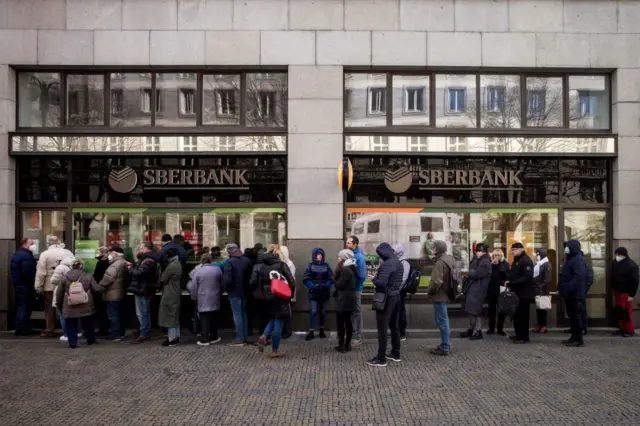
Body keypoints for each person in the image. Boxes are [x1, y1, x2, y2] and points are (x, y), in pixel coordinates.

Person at [252, 245, 296, 357]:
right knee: (279, 322)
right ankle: (274, 351)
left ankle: (264, 335)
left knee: (273, 318)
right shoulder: (282, 265)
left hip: (267, 298)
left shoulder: (262, 266)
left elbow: (256, 282)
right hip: (280, 297)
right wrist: (289, 294)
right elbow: (292, 281)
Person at [367, 242, 404, 367]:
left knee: (382, 328)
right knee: (394, 326)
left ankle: (381, 358)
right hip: (396, 296)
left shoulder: (387, 264)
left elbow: (381, 283)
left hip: (386, 298)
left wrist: (373, 279)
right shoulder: (398, 262)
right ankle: (395, 353)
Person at [54, 260, 101, 348]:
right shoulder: (88, 276)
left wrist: (59, 305)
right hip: (85, 303)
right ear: (82, 266)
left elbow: (59, 293)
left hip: (69, 304)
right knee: (88, 322)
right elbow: (96, 289)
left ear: (71, 267)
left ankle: (72, 342)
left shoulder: (65, 277)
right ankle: (90, 339)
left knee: (71, 323)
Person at [34, 236, 73, 338]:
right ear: (59, 242)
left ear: (48, 243)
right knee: (66, 306)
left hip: (49, 285)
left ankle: (50, 329)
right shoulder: (67, 252)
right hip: (66, 284)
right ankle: (69, 329)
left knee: (49, 307)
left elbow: (41, 273)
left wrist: (38, 286)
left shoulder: (45, 254)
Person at [126, 242, 160, 344]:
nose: (139, 250)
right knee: (143, 312)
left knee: (142, 313)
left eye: (141, 248)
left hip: (143, 289)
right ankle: (145, 331)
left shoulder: (148, 261)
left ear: (145, 248)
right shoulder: (147, 259)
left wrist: (130, 269)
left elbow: (140, 274)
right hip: (143, 288)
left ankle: (144, 333)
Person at [188, 253, 224, 346]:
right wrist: (220, 293)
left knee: (204, 318)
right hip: (215, 297)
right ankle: (214, 337)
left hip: (202, 297)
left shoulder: (198, 271)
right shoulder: (217, 269)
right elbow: (222, 283)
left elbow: (194, 286)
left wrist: (193, 296)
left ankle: (205, 339)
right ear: (211, 260)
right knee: (213, 317)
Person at [557, 240, 587, 347]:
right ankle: (573, 337)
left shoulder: (578, 259)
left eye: (568, 247)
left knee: (576, 317)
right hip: (569, 294)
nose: (566, 249)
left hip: (575, 294)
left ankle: (578, 339)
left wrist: (568, 287)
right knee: (572, 316)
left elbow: (578, 277)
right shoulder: (570, 259)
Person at [223, 243, 253, 346]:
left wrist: (226, 289)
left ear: (229, 252)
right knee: (243, 314)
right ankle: (244, 337)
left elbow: (227, 280)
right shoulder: (247, 261)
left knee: (237, 314)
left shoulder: (229, 262)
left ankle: (239, 338)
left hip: (234, 292)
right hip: (245, 291)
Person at [428, 240, 454, 356]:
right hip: (447, 293)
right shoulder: (450, 258)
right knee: (443, 320)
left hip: (439, 295)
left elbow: (436, 282)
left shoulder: (440, 262)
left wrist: (430, 292)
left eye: (433, 248)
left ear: (437, 249)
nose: (432, 250)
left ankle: (445, 346)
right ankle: (445, 343)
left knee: (442, 321)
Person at [505, 242, 535, 344]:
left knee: (522, 316)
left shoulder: (525, 260)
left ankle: (523, 336)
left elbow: (527, 277)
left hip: (524, 294)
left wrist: (512, 282)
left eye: (514, 250)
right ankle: (518, 334)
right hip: (517, 293)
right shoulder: (517, 260)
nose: (512, 252)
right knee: (517, 315)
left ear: (520, 249)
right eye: (512, 250)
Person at [460, 243, 491, 341]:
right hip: (474, 288)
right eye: (477, 251)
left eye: (479, 251)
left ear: (484, 252)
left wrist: (468, 273)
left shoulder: (485, 262)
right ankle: (471, 329)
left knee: (476, 311)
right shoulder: (478, 260)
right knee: (472, 310)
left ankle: (478, 331)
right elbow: (473, 271)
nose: (477, 252)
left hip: (479, 289)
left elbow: (476, 273)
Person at [303, 248, 333, 340]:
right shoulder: (310, 266)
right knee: (313, 311)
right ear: (314, 256)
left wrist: (326, 285)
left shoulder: (326, 265)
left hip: (324, 292)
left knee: (323, 312)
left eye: (321, 255)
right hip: (313, 292)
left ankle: (321, 330)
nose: (320, 256)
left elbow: (331, 277)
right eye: (318, 255)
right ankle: (311, 331)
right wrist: (312, 286)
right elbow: (306, 278)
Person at [99, 247, 128, 341]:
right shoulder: (123, 262)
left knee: (113, 315)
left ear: (115, 254)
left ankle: (115, 334)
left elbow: (108, 278)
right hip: (120, 292)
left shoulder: (115, 265)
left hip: (112, 293)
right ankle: (121, 333)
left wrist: (100, 286)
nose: (109, 255)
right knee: (120, 314)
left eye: (110, 253)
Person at [10, 238, 37, 336]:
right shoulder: (26, 256)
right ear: (26, 244)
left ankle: (19, 327)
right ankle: (23, 328)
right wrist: (33, 284)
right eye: (32, 243)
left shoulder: (18, 254)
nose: (34, 245)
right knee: (25, 307)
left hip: (19, 284)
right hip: (25, 285)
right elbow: (28, 273)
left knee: (21, 306)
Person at [333, 249, 358, 353]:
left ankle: (342, 345)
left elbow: (340, 285)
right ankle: (347, 345)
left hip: (344, 300)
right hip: (350, 299)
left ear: (344, 258)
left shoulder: (346, 270)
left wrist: (333, 280)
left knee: (341, 323)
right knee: (348, 321)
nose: (338, 258)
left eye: (340, 257)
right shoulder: (352, 268)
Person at [611, 247, 639, 338]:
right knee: (620, 311)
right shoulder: (615, 262)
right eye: (616, 255)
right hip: (618, 291)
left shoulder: (632, 265)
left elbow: (635, 281)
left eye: (619, 255)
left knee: (626, 312)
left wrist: (631, 295)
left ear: (624, 255)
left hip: (626, 293)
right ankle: (622, 328)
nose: (617, 257)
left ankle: (629, 330)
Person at [158, 248, 183, 346]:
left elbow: (163, 279)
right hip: (176, 291)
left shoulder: (172, 266)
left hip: (170, 292)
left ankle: (171, 339)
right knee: (174, 315)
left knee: (170, 316)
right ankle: (176, 337)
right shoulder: (178, 264)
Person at [50, 254, 76, 342]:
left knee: (62, 313)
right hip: (73, 292)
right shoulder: (73, 266)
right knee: (74, 313)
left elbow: (53, 280)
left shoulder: (60, 267)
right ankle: (77, 332)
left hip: (62, 293)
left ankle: (66, 334)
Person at [346, 235, 366, 346]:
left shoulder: (359, 257)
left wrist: (355, 286)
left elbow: (362, 276)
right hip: (350, 289)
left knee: (357, 312)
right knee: (352, 312)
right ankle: (352, 334)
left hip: (356, 289)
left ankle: (358, 336)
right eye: (347, 242)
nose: (347, 244)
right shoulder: (349, 255)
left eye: (349, 243)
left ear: (355, 244)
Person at [486, 249, 509, 336]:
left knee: (501, 310)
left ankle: (500, 328)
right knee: (491, 310)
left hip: (501, 289)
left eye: (498, 255)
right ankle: (491, 328)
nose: (497, 257)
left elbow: (506, 275)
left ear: (501, 256)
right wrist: (492, 265)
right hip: (491, 289)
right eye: (495, 255)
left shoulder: (505, 264)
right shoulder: (490, 264)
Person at [392, 244, 410, 341]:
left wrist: (396, 289)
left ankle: (402, 333)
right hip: (396, 290)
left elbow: (403, 279)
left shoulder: (404, 263)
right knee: (396, 311)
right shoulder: (397, 261)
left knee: (400, 311)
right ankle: (396, 331)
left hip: (400, 291)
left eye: (394, 251)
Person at [93, 246, 111, 336]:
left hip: (100, 288)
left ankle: (103, 329)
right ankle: (105, 328)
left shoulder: (102, 263)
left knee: (101, 310)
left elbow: (97, 276)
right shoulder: (109, 262)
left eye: (99, 252)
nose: (97, 253)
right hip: (106, 289)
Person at [533, 248, 552, 334]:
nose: (537, 256)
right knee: (538, 308)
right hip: (537, 289)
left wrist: (541, 286)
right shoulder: (538, 264)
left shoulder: (546, 264)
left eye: (538, 254)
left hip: (543, 290)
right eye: (536, 254)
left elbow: (547, 279)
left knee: (543, 308)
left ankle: (543, 325)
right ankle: (539, 324)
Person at [280, 245, 296, 339]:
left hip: (286, 292)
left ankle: (287, 330)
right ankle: (284, 330)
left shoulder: (289, 264)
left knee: (287, 312)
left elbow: (291, 280)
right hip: (284, 292)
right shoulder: (283, 264)